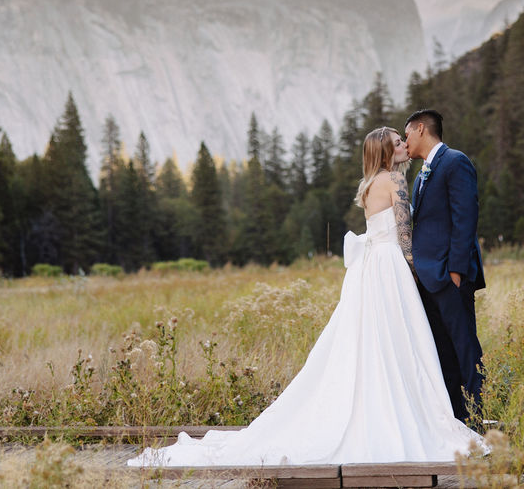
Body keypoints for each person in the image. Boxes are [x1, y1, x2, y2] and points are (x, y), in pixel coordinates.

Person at [128, 127, 483, 467]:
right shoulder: (395, 180)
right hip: (389, 265)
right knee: (400, 341)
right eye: (397, 141)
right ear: (387, 151)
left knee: (370, 342)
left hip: (369, 269)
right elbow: (405, 236)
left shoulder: (369, 184)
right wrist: (416, 270)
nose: (404, 145)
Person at [403, 109, 485, 423]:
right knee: (443, 353)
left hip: (450, 277)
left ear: (421, 129)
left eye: (407, 133)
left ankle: (479, 420)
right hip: (428, 279)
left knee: (465, 349)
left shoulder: (455, 161)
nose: (405, 141)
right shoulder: (422, 172)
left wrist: (456, 272)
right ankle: (457, 421)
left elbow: (466, 218)